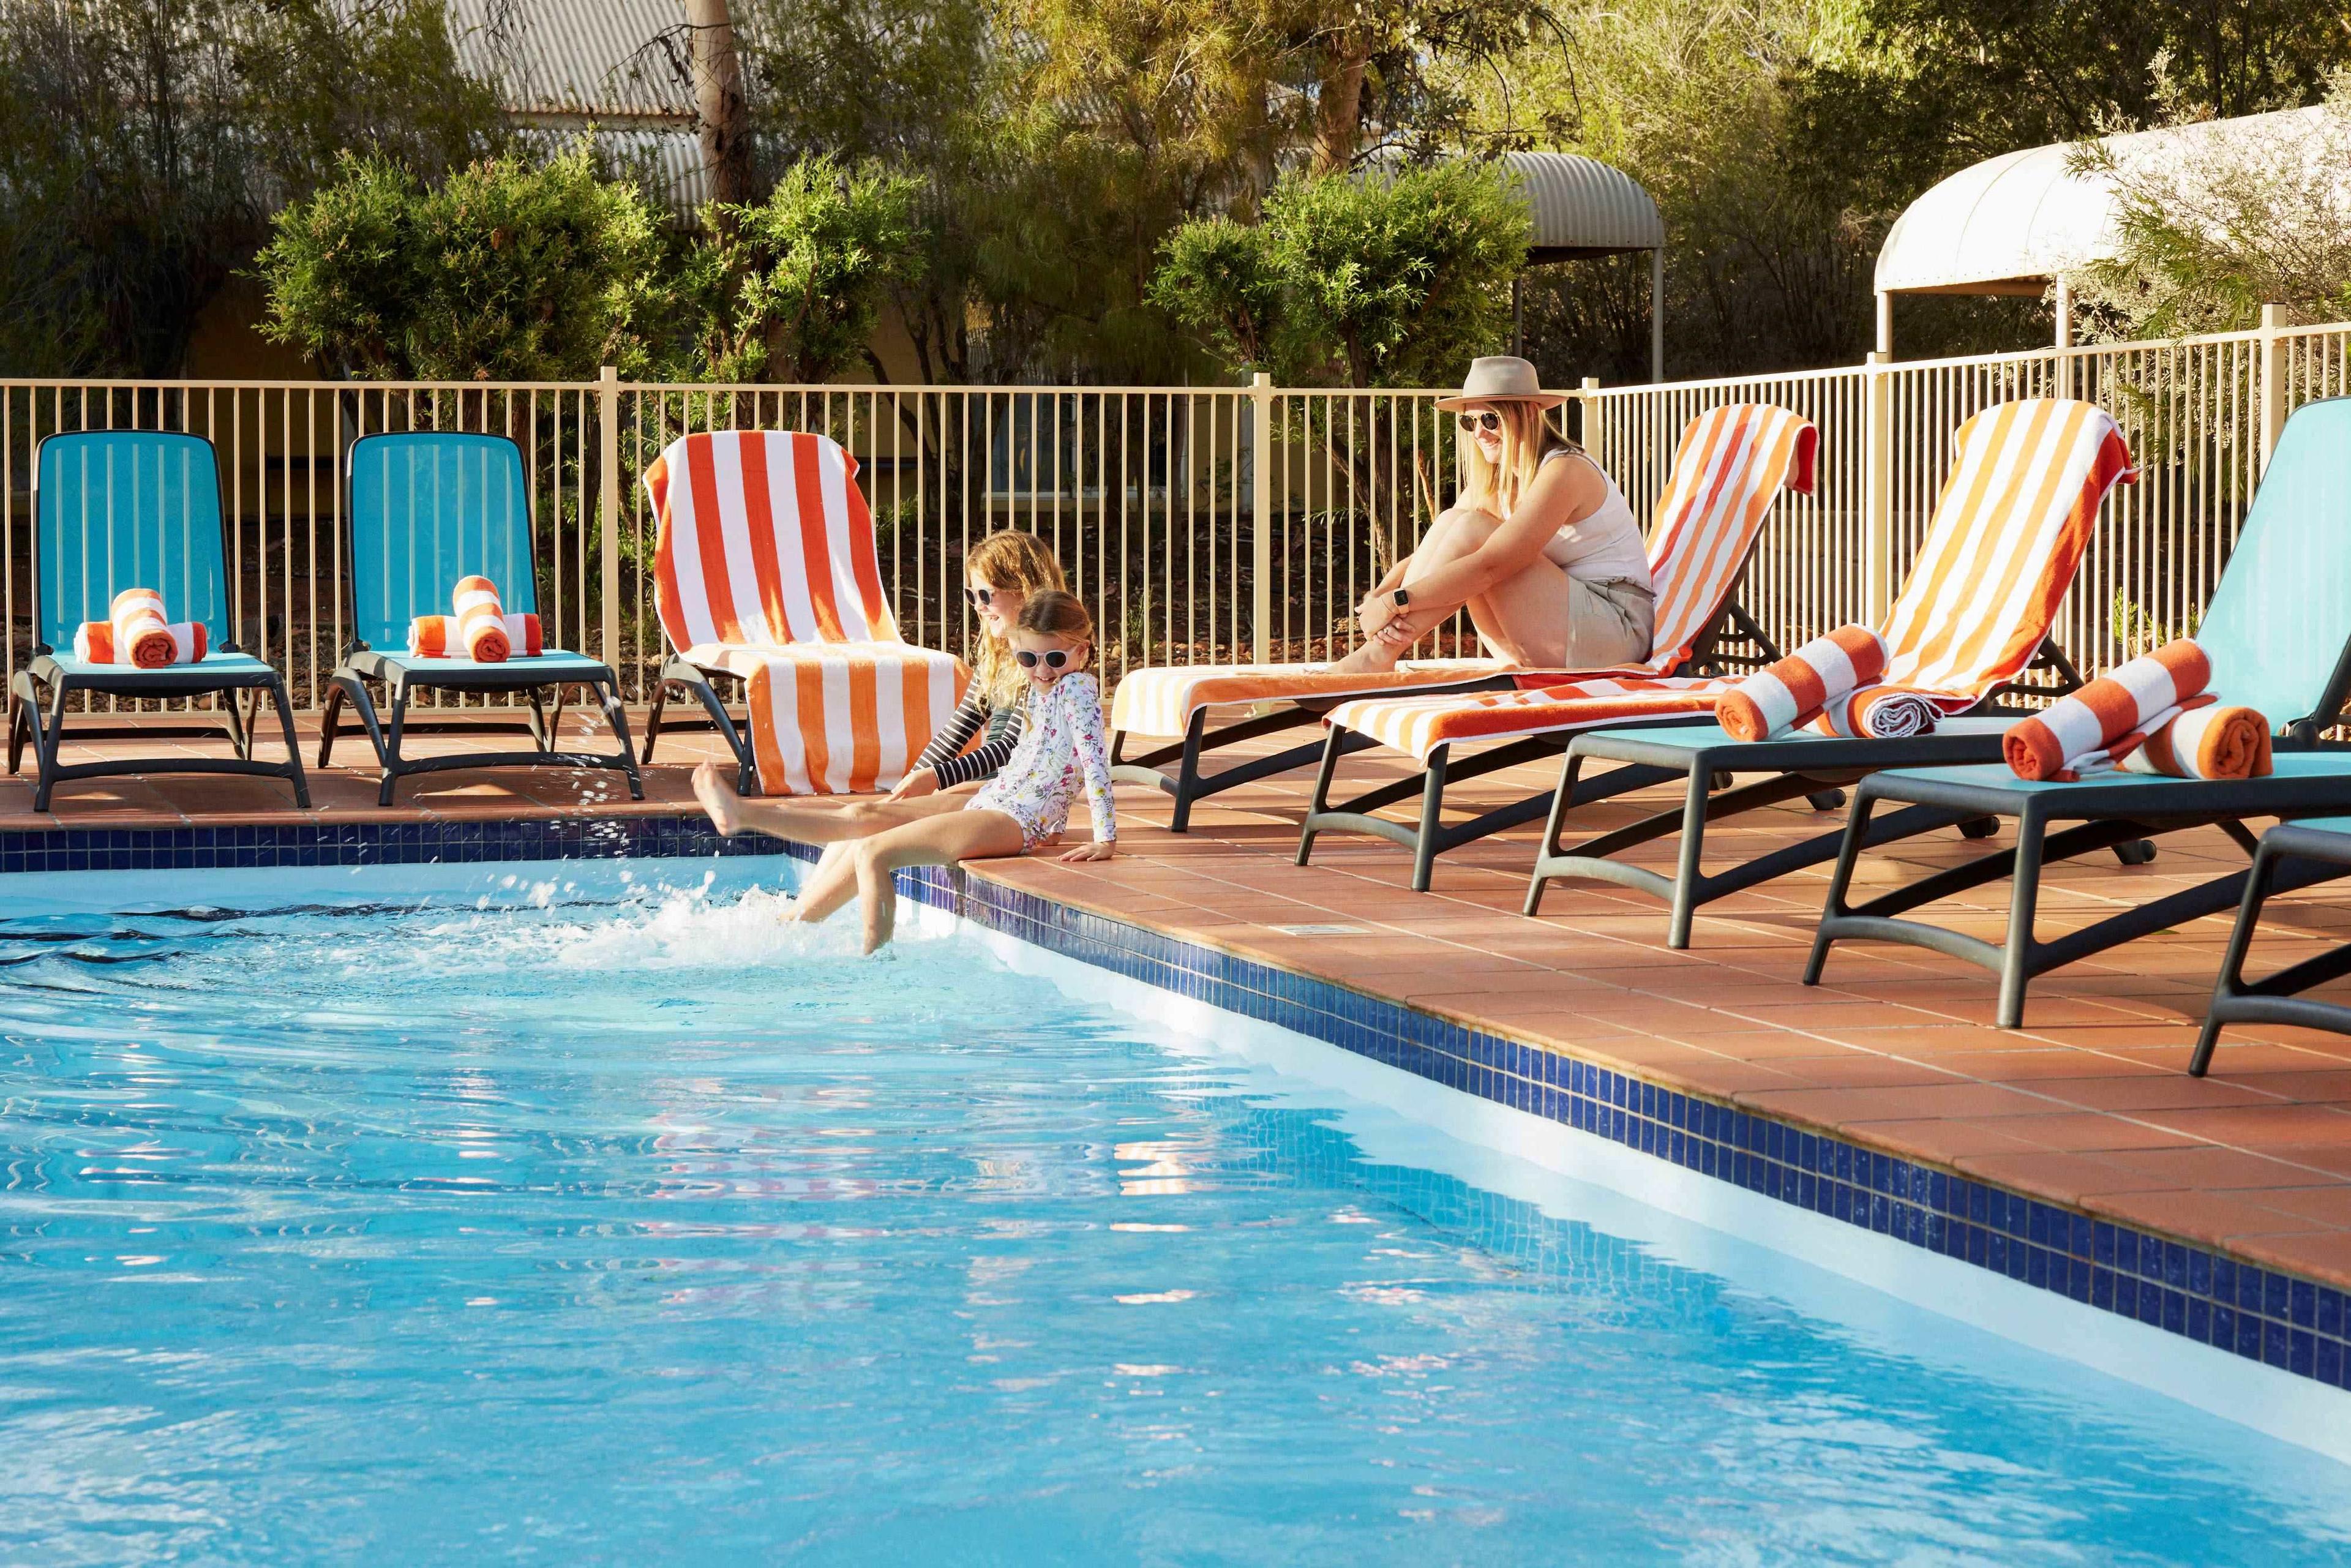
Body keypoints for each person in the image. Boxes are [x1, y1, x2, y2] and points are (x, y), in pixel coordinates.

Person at [698, 590, 1117, 953]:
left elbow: (1095, 764)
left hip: (1017, 818)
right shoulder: (1045, 689)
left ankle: (873, 962)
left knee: (873, 851)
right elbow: (1037, 760)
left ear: (1083, 650)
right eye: (1028, 657)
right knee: (862, 817)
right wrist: (1046, 818)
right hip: (998, 799)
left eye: (1055, 658)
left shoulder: (1077, 691)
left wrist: (1105, 839)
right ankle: (747, 819)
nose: (1042, 670)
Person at [689, 529, 1070, 889]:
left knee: (867, 825)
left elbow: (1009, 749)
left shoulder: (1045, 661)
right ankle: (798, 916)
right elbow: (957, 731)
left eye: (987, 595)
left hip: (1013, 795)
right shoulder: (999, 655)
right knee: (864, 822)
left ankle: (781, 883)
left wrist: (934, 778)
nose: (979, 607)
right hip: (994, 786)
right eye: (973, 596)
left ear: (1024, 588)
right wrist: (912, 782)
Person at [1327, 355, 1654, 676]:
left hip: (1614, 633)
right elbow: (1436, 552)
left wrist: (1395, 604)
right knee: (1452, 522)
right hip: (1554, 634)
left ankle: (1378, 655)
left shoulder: (1565, 469)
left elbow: (1492, 565)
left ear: (1528, 413)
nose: (1479, 433)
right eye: (1470, 422)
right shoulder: (1500, 478)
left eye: (1490, 420)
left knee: (1474, 530)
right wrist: (1379, 596)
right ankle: (1377, 653)